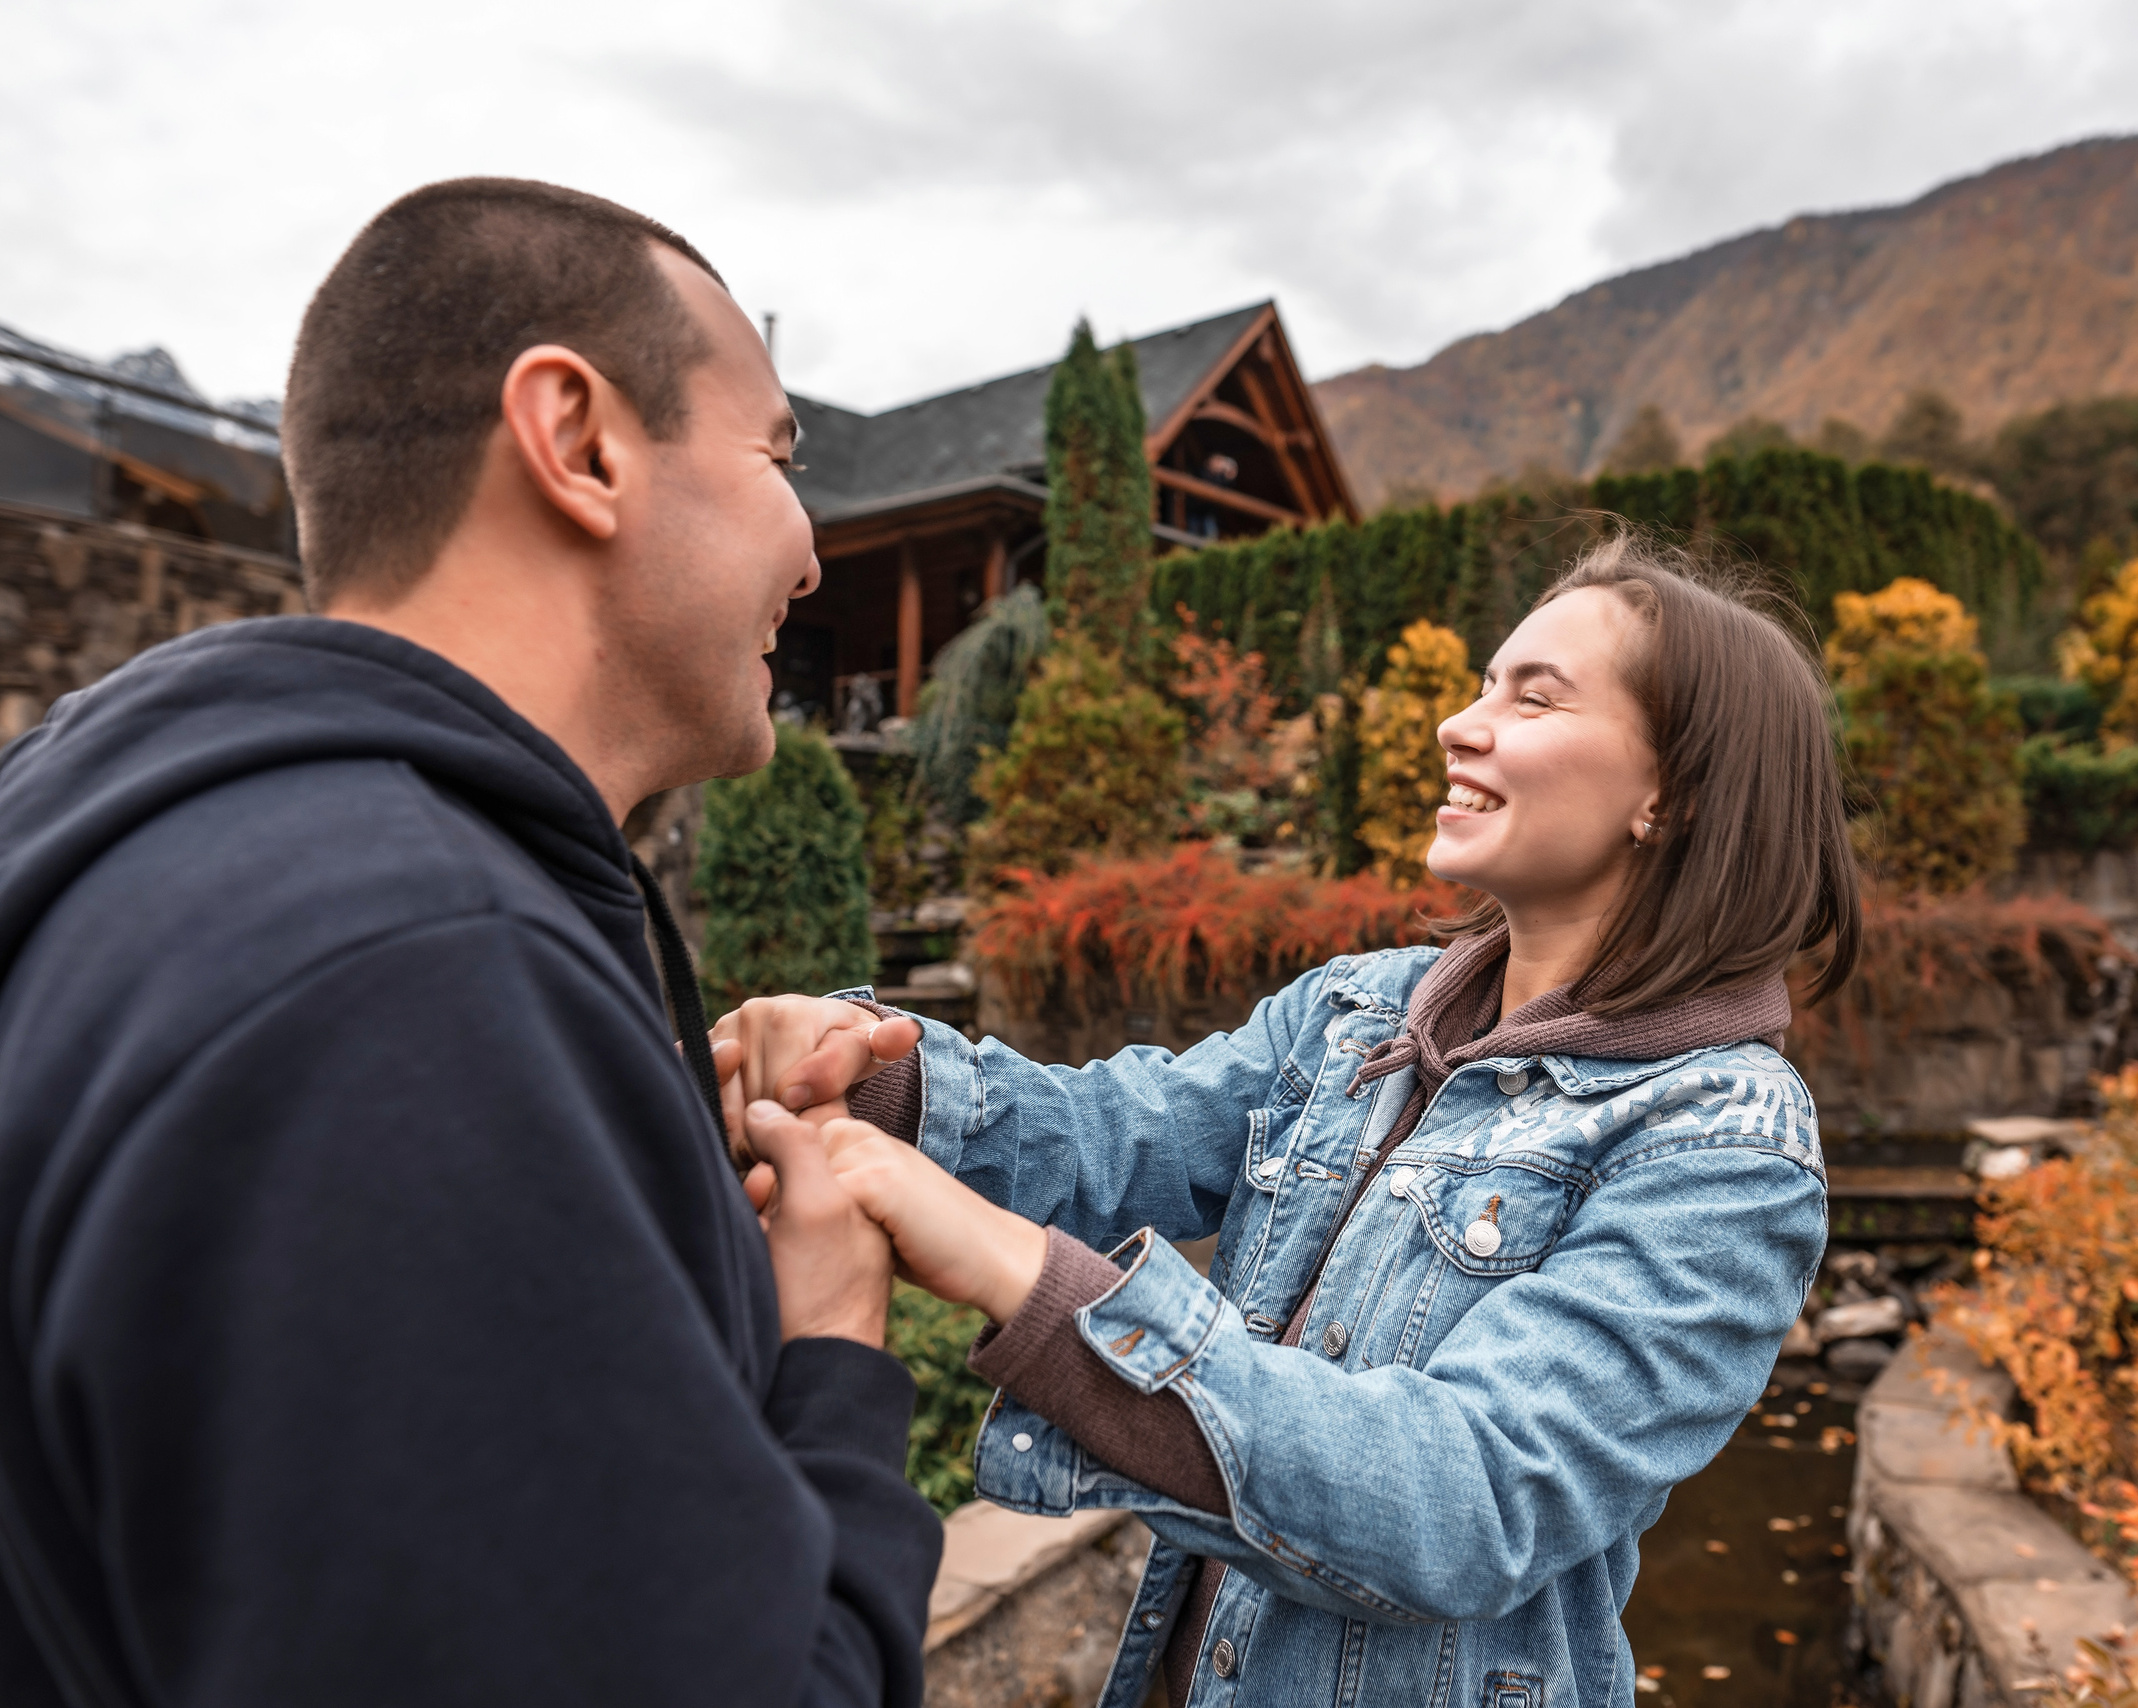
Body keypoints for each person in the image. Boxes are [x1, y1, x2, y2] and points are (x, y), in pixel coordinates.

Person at [0, 179, 941, 1708]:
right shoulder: (404, 991)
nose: (815, 554)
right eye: (780, 458)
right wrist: (830, 1344)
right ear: (578, 442)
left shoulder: (185, 860)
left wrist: (606, 1170)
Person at [719, 537, 1863, 1708]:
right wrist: (875, 1077)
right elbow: (1118, 1133)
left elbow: (1465, 1499)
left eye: (1534, 696)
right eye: (1482, 683)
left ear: (1671, 795)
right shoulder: (1356, 1010)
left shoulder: (1722, 1142)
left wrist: (1020, 1273)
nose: (1459, 725)